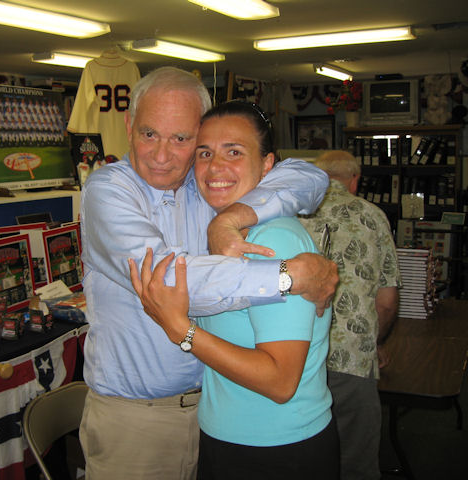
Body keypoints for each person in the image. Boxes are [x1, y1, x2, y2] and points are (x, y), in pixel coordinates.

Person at [79, 66, 338, 480]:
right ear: (128, 126)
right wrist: (285, 277)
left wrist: (231, 217)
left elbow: (311, 176)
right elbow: (165, 284)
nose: (162, 155)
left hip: (216, 413)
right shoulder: (108, 191)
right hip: (137, 421)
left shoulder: (207, 190)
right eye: (149, 133)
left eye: (181, 139)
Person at [299, 150, 401, 480]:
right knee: (355, 463)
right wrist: (376, 341)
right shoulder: (373, 217)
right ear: (355, 180)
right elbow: (386, 301)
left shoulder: (293, 215)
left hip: (296, 358)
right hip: (353, 358)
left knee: (305, 458)